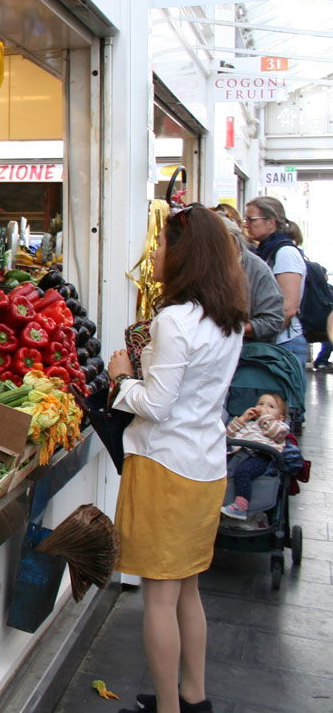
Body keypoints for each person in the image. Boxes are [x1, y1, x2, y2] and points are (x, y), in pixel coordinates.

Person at [107, 204, 248, 713]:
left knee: (159, 599)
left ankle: (168, 708)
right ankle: (193, 695)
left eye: (163, 244)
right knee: (188, 590)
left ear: (184, 254)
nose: (155, 252)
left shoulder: (175, 320)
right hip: (206, 464)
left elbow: (157, 405)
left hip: (164, 467)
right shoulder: (229, 319)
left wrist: (122, 378)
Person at [243, 196, 308, 366]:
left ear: (271, 222)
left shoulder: (285, 252)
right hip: (272, 342)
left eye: (251, 219)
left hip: (283, 345)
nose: (245, 224)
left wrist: (262, 332)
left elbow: (288, 308)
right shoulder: (263, 251)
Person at [215, 212, 284, 342]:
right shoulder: (207, 266)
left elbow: (273, 321)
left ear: (231, 240)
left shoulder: (258, 269)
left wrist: (234, 330)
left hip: (245, 354)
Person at [221, 393, 290, 520]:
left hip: (262, 456)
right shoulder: (250, 424)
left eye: (271, 406)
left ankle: (240, 507)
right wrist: (243, 418)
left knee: (244, 472)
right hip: (239, 453)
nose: (264, 408)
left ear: (281, 417)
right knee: (220, 468)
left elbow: (273, 432)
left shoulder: (279, 427)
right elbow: (229, 433)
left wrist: (265, 418)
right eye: (260, 404)